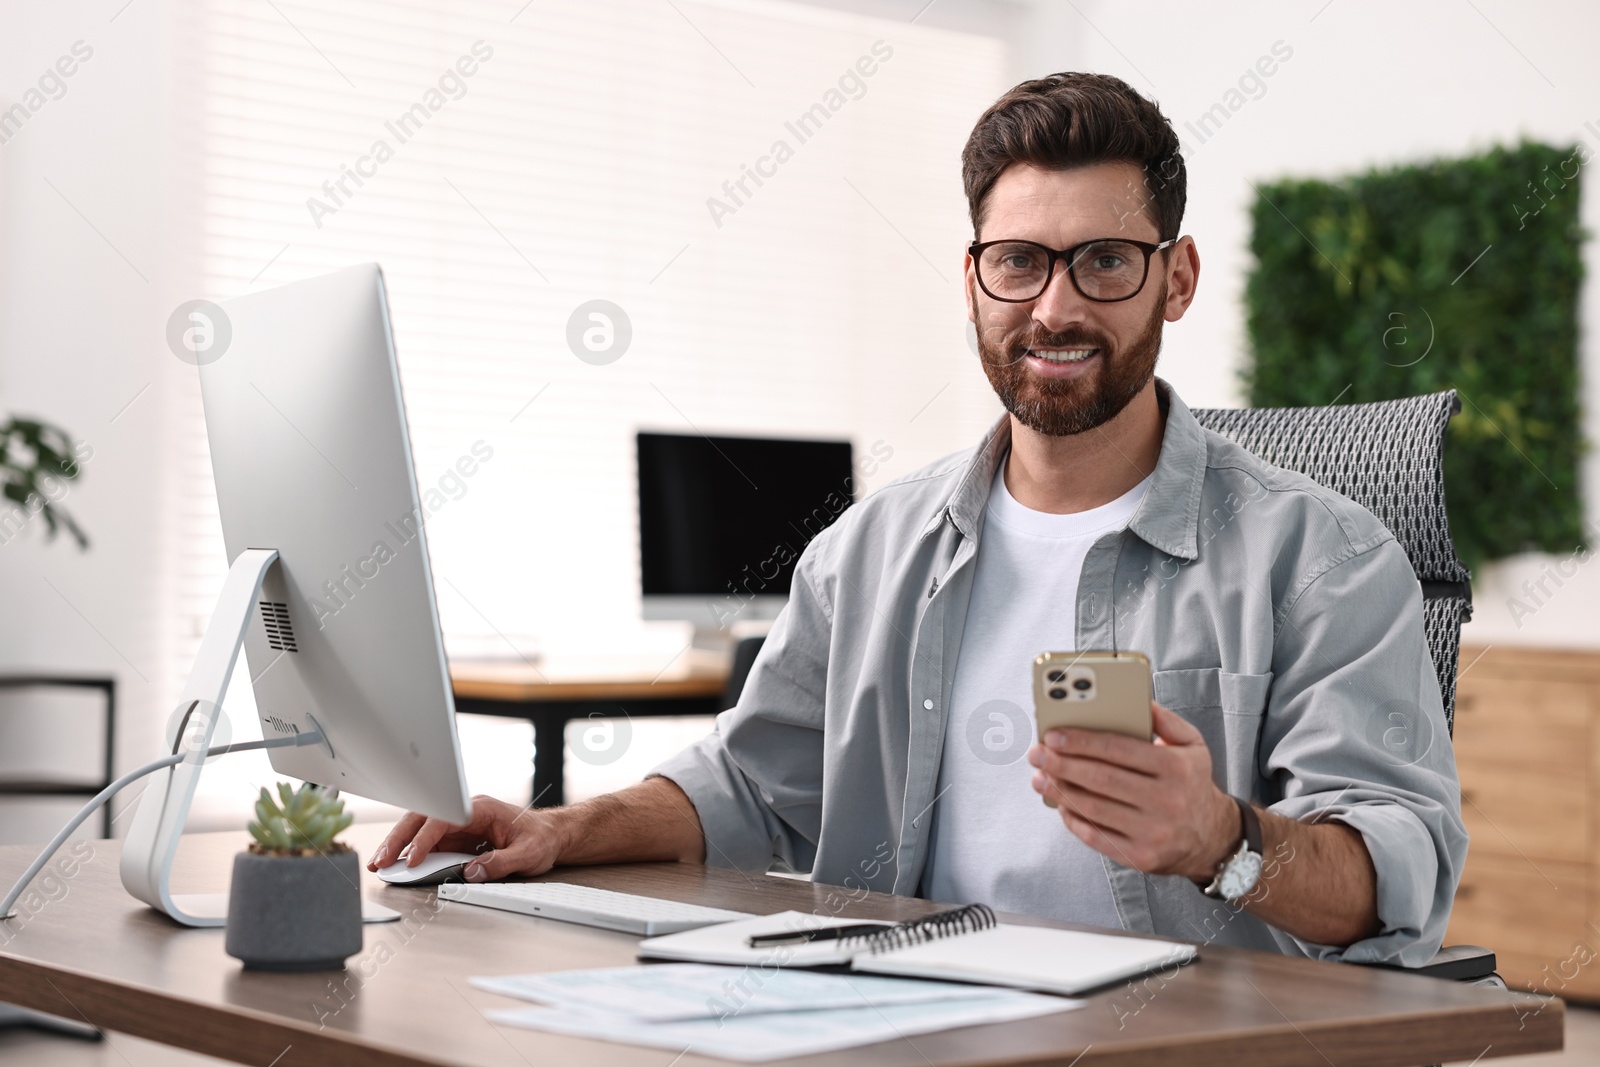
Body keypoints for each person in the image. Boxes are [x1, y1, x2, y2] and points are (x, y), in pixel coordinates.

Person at [371, 72, 1465, 965]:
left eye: (1105, 261)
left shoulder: (1322, 556)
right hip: (911, 1022)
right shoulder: (867, 551)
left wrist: (1219, 839)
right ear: (974, 277)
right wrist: (559, 829)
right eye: (1020, 261)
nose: (1056, 305)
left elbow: (1398, 876)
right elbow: (752, 784)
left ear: (1173, 279)